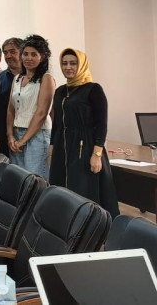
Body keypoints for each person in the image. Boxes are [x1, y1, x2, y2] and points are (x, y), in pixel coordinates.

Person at [49, 49, 119, 217]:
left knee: (82, 189)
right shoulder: (60, 91)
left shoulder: (93, 89)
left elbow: (101, 124)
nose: (68, 67)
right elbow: (56, 124)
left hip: (84, 146)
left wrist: (97, 154)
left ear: (81, 65)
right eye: (64, 63)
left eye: (73, 63)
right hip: (61, 145)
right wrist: (51, 150)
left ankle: (90, 225)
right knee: (60, 187)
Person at [7, 35, 55, 179]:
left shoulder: (46, 78)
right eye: (25, 54)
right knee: (18, 180)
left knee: (35, 182)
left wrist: (23, 140)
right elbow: (11, 109)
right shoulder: (17, 78)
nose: (28, 58)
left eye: (34, 54)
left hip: (37, 135)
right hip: (16, 134)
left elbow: (41, 113)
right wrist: (10, 136)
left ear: (43, 57)